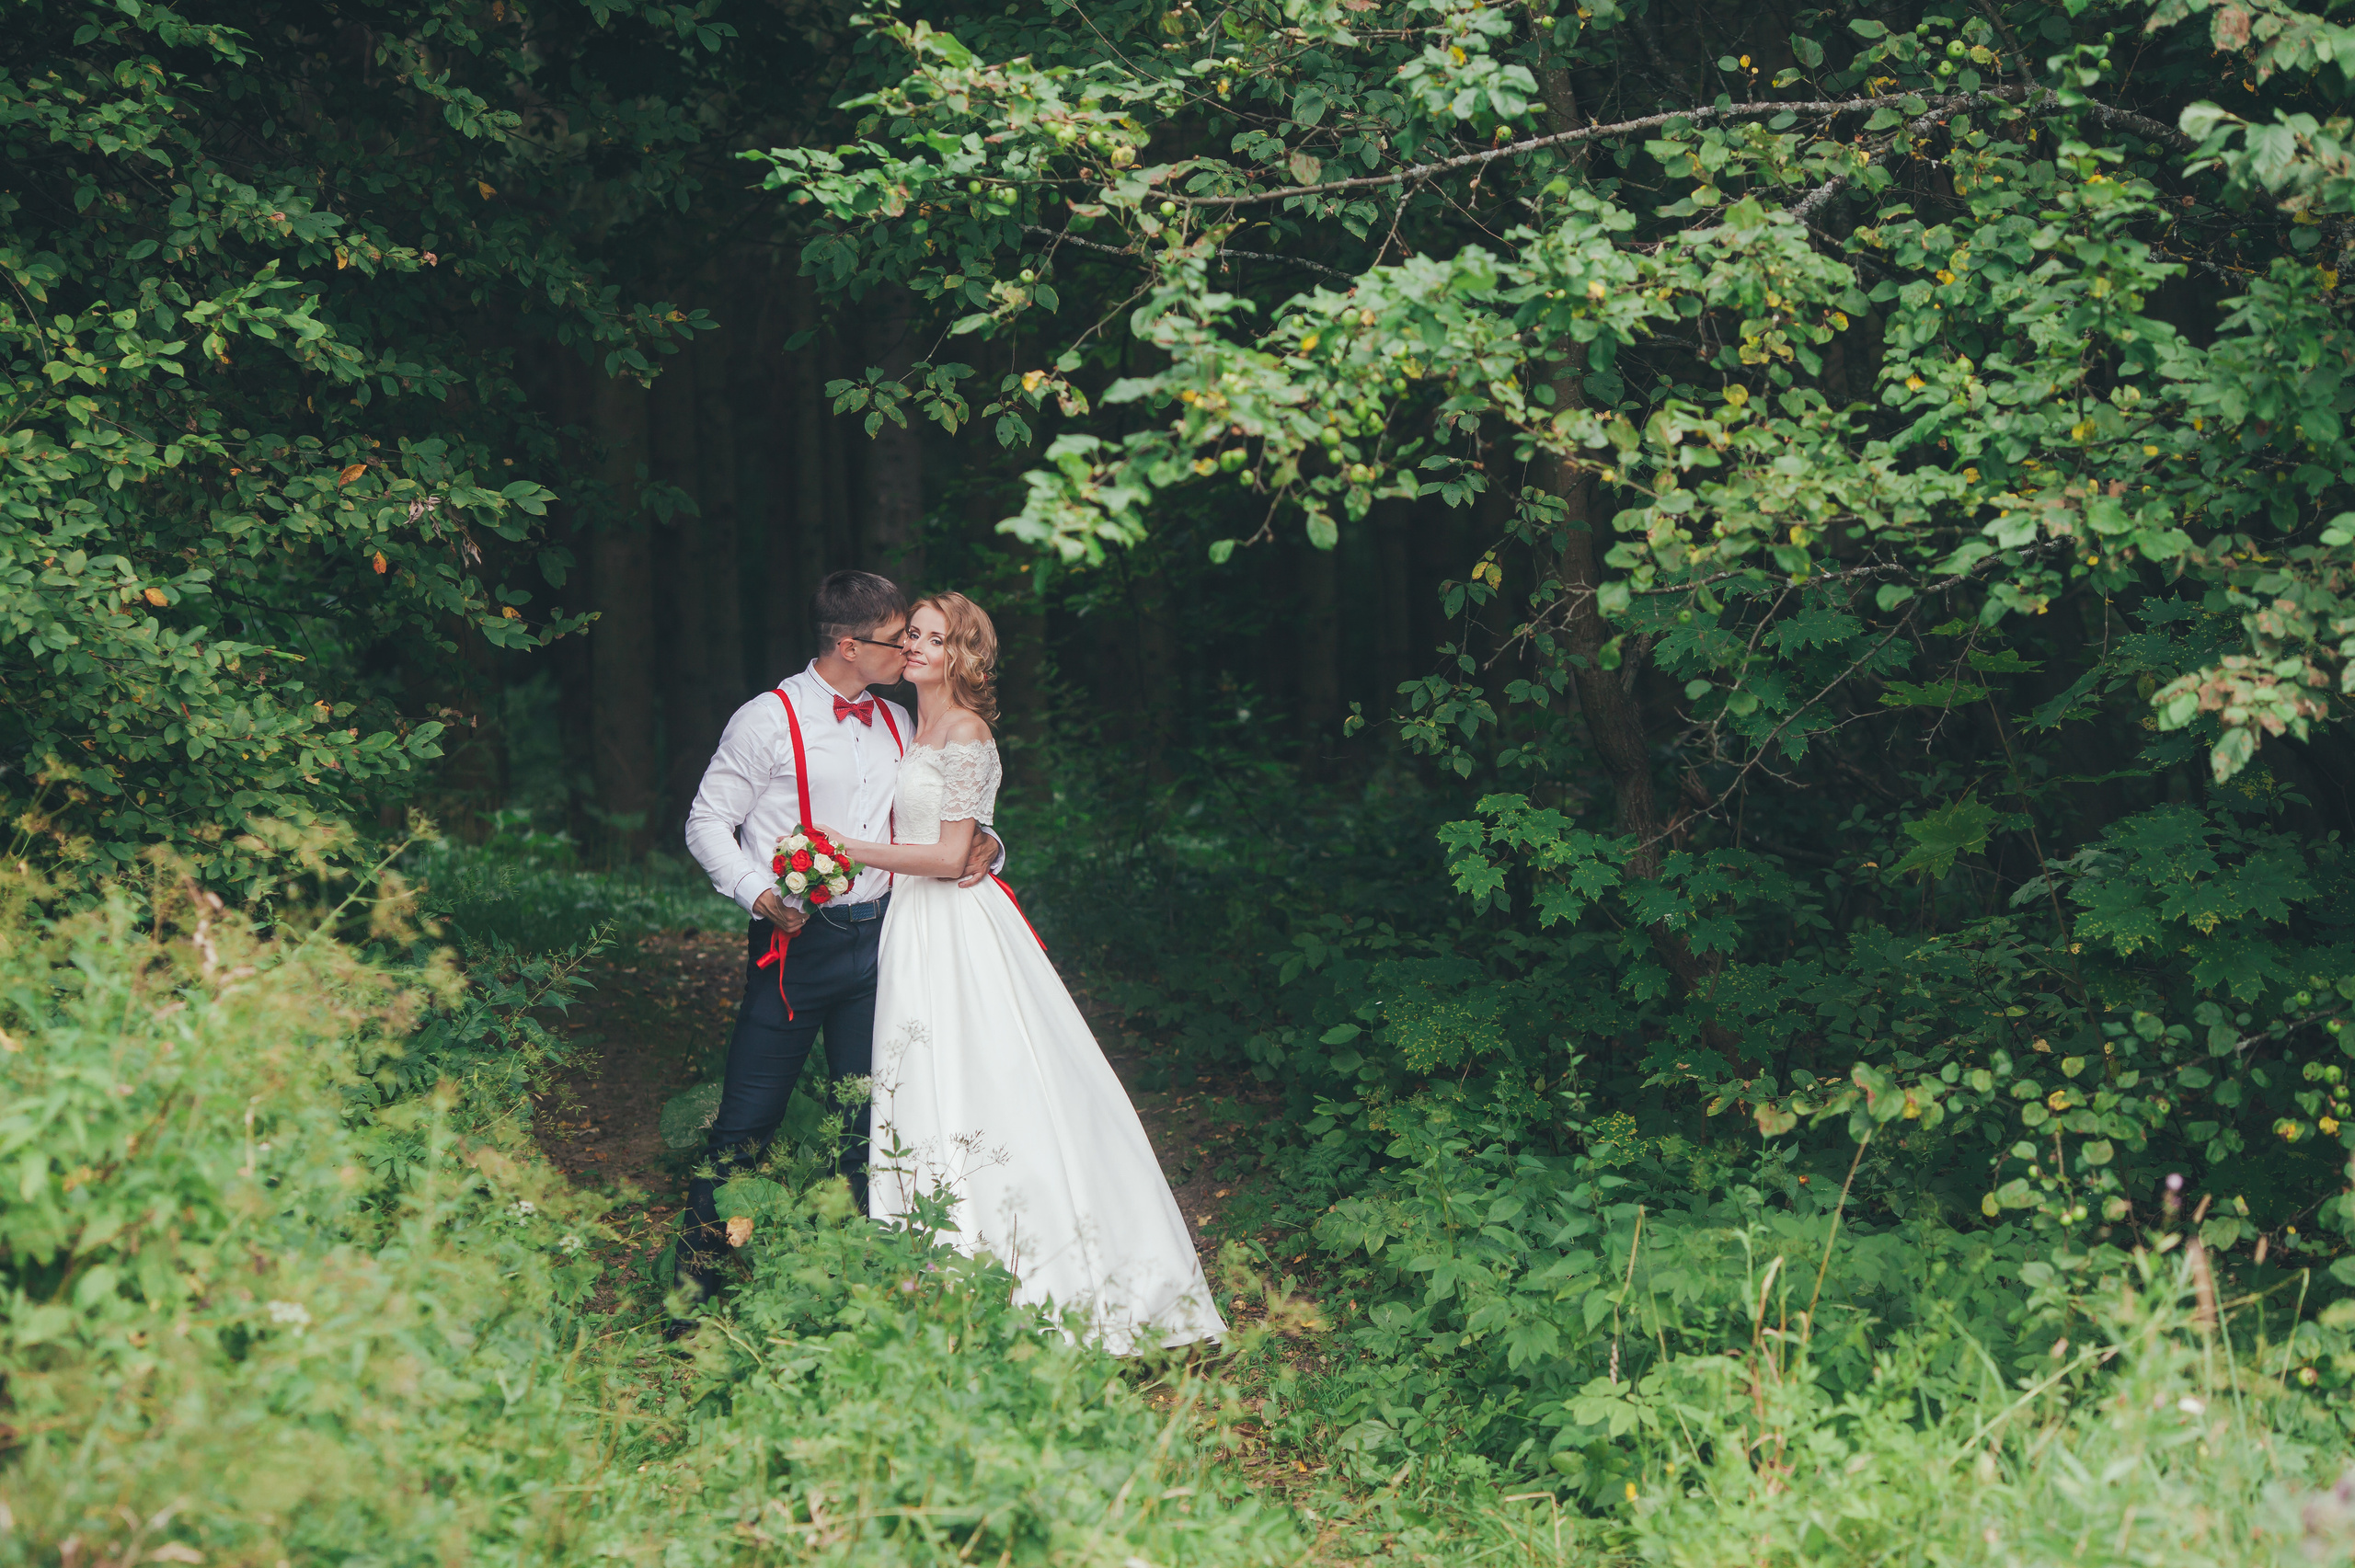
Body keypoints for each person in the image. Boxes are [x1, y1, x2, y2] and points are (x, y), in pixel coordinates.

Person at [820, 592, 1226, 1354]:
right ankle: (936, 1281)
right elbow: (951, 829)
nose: (913, 646)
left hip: (956, 929)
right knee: (923, 1084)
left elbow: (948, 855)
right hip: (912, 926)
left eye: (933, 638)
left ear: (962, 655)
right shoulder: (912, 724)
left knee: (988, 1080)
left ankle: (1039, 1281)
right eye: (910, 632)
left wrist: (850, 848)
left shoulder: (966, 730)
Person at [677, 570, 1002, 1320]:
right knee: (746, 1122)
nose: (911, 652)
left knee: (874, 1120)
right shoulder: (767, 718)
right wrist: (758, 890)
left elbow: (942, 823)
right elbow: (704, 822)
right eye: (899, 640)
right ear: (851, 646)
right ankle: (691, 1299)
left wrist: (989, 843)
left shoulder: (900, 721)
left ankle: (861, 1293)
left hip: (889, 945)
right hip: (794, 949)